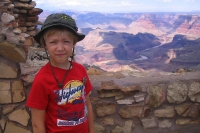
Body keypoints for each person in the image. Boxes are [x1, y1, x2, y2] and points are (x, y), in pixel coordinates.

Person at [26, 13, 94, 133]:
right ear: (45, 45)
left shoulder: (80, 70)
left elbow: (87, 104)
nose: (60, 48)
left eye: (66, 41)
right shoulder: (42, 79)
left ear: (74, 43)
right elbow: (37, 124)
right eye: (53, 42)